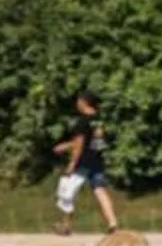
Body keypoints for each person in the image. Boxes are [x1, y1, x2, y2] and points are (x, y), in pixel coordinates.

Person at [51, 90, 118, 236]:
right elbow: (91, 141)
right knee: (100, 191)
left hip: (83, 162)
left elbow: (80, 144)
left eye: (78, 101)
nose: (77, 104)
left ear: (83, 102)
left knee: (68, 193)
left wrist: (72, 163)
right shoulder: (99, 120)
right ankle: (112, 223)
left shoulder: (82, 121)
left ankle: (66, 225)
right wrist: (66, 146)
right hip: (97, 160)